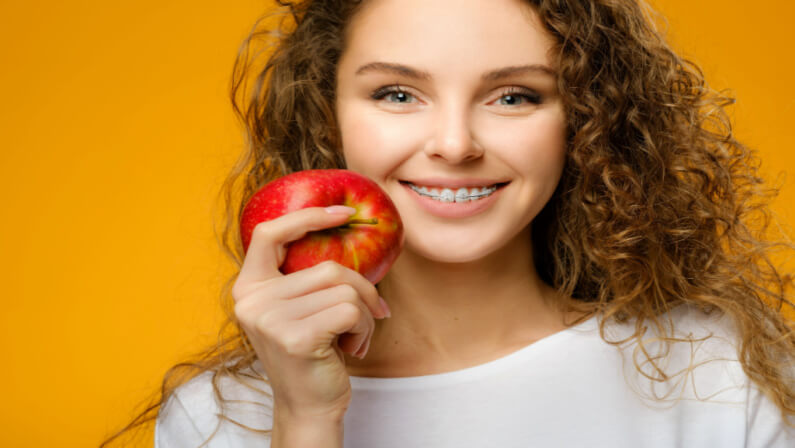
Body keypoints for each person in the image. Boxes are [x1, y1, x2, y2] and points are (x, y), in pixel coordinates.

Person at [99, 0, 795, 447]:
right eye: (397, 94)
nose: (455, 144)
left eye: (514, 96)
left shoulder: (719, 375)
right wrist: (306, 423)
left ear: (583, 121)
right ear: (327, 113)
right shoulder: (224, 419)